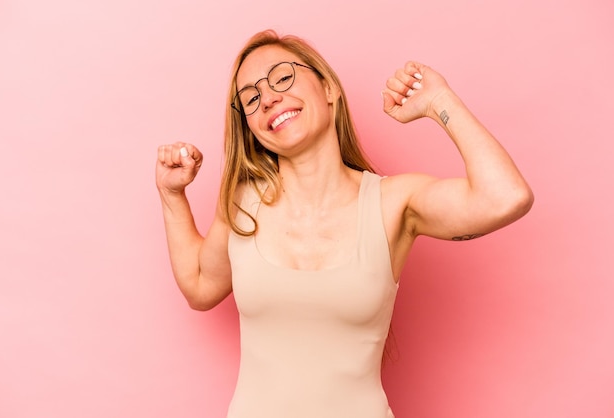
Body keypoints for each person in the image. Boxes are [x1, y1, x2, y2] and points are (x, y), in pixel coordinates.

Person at [155, 29, 533, 418]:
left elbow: (506, 197)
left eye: (282, 77)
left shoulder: (393, 203)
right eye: (250, 99)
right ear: (249, 126)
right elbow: (200, 287)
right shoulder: (241, 203)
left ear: (329, 87)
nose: (267, 98)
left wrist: (440, 101)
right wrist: (172, 195)